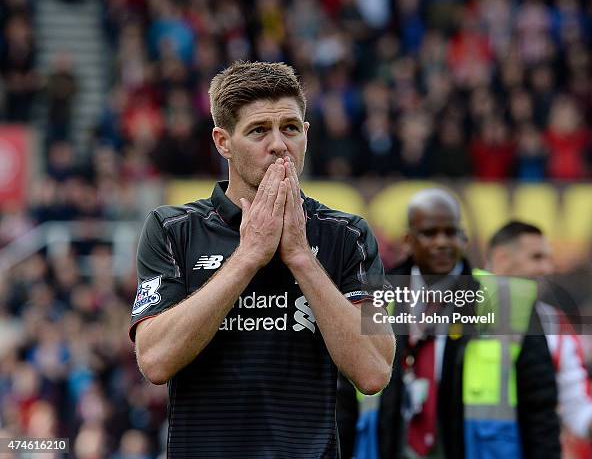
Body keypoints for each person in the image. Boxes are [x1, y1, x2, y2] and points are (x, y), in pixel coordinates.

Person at [128, 60, 395, 458]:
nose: (278, 144)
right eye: (258, 130)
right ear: (223, 142)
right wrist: (249, 255)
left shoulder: (349, 234)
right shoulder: (172, 229)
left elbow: (374, 370)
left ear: (305, 134)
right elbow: (154, 360)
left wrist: (301, 257)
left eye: (290, 128)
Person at [338, 188, 561, 459]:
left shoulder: (509, 302)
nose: (442, 242)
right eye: (430, 233)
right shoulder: (373, 300)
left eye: (451, 232)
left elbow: (539, 408)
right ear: (408, 240)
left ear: (464, 239)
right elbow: (344, 402)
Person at [488, 221, 592, 441]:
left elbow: (579, 409)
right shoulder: (456, 314)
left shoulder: (555, 324)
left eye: (549, 259)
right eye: (537, 258)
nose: (548, 269)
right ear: (501, 259)